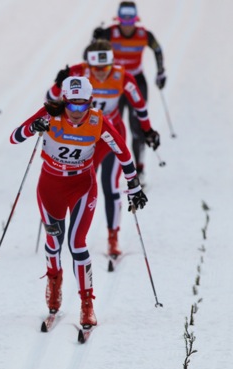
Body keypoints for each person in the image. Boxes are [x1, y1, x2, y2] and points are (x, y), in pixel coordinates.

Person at [9, 77, 147, 328]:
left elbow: (123, 152)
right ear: (64, 102)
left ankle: (87, 304)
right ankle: (54, 282)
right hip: (50, 187)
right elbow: (14, 137)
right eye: (71, 106)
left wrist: (134, 185)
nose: (75, 112)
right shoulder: (50, 114)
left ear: (90, 103)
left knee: (77, 244)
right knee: (53, 243)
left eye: (82, 106)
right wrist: (33, 127)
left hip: (82, 186)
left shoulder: (97, 121)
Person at [47, 39, 160, 258]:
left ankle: (112, 236)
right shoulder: (77, 73)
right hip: (82, 139)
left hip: (110, 135)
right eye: (95, 68)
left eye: (105, 68)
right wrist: (56, 84)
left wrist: (147, 130)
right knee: (75, 184)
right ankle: (65, 233)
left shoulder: (123, 77)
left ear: (112, 64)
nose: (99, 73)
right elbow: (50, 103)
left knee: (110, 185)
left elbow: (139, 106)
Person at [92, 1, 166, 180]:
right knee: (110, 125)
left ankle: (139, 170)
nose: (127, 26)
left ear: (135, 20)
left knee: (137, 126)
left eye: (130, 21)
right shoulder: (110, 32)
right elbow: (91, 55)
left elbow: (157, 49)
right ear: (118, 20)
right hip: (114, 82)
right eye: (123, 22)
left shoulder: (144, 34)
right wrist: (95, 39)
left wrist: (161, 71)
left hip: (135, 80)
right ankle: (103, 168)